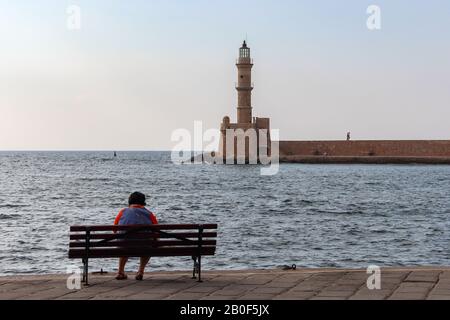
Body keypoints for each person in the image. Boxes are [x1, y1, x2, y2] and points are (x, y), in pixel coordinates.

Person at [114, 192, 158, 280]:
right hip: (144, 245)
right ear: (143, 202)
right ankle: (140, 271)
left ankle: (120, 272)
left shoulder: (123, 212)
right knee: (148, 244)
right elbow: (156, 230)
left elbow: (115, 229)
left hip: (125, 245)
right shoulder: (149, 214)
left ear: (130, 201)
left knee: (124, 243)